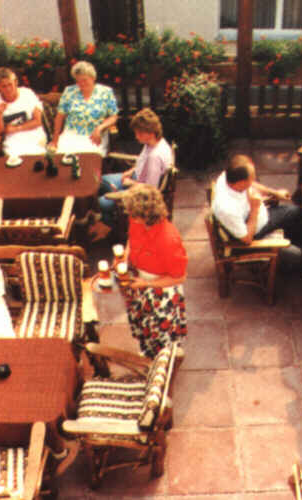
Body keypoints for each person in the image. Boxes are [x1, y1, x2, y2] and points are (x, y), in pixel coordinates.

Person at [111, 185, 187, 358]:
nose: (130, 216)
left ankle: (164, 361)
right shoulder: (136, 220)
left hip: (160, 289)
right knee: (142, 323)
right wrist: (125, 256)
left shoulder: (168, 239)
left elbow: (180, 277)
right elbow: (131, 238)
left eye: (133, 213)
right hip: (140, 282)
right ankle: (147, 353)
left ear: (146, 214)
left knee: (161, 331)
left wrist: (147, 283)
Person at [90, 108, 173, 240]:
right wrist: (130, 171)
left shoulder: (155, 157)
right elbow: (142, 161)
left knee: (99, 203)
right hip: (136, 178)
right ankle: (107, 220)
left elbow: (150, 190)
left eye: (139, 133)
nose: (136, 136)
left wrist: (130, 183)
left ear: (151, 132)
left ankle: (110, 226)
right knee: (99, 181)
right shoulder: (155, 142)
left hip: (139, 192)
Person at [212, 154, 302, 246]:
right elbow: (247, 239)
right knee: (297, 213)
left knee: (294, 213)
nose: (254, 179)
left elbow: (252, 184)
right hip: (254, 229)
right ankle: (297, 249)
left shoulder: (227, 176)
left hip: (256, 213)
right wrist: (254, 209)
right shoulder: (227, 208)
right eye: (252, 177)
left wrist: (275, 193)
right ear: (241, 183)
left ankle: (294, 242)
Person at [51, 61, 119, 156]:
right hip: (71, 135)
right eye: (78, 81)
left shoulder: (106, 92)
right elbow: (59, 116)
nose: (81, 84)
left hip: (94, 136)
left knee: (89, 157)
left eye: (84, 80)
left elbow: (113, 116)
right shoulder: (69, 91)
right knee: (63, 156)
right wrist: (55, 140)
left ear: (93, 78)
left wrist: (100, 128)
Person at [0, 67, 47, 157]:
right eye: (4, 86)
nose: (8, 89)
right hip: (11, 140)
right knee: (16, 159)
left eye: (10, 84)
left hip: (34, 134)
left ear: (15, 82)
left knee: (35, 156)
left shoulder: (27, 93)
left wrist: (16, 128)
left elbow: (38, 121)